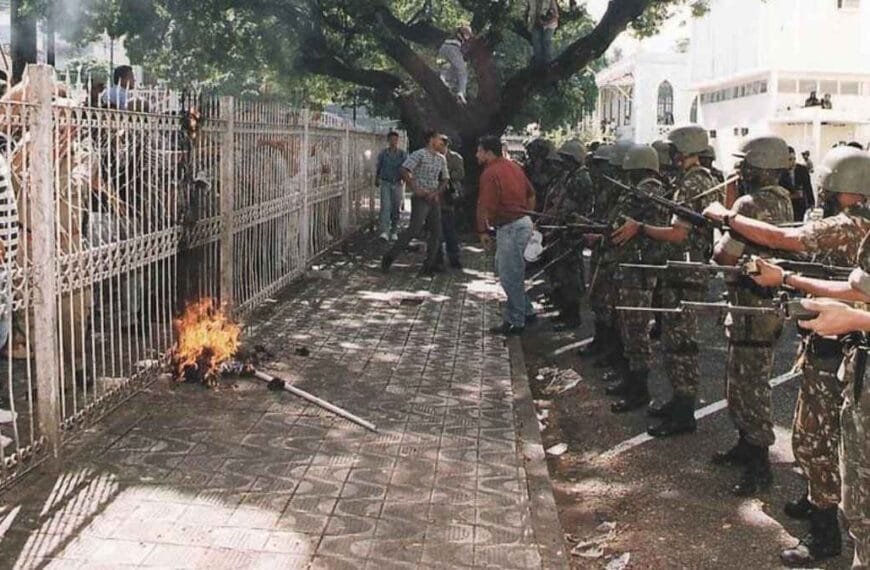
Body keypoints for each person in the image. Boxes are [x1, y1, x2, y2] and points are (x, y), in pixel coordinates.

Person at [706, 148, 870, 565]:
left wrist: (727, 218)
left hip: (836, 350)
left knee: (816, 441)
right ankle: (823, 506)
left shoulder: (849, 225)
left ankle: (824, 533)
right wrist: (788, 278)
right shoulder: (853, 225)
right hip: (836, 346)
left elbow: (787, 239)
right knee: (829, 442)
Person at [612, 125, 716, 437]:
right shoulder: (703, 179)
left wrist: (639, 228)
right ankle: (679, 401)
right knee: (674, 341)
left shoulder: (690, 184)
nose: (668, 155)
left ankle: (684, 412)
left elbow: (678, 234)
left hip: (684, 274)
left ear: (683, 150)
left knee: (680, 344)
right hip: (685, 271)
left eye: (672, 149)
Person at [707, 136, 795, 497]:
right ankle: (747, 446)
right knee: (749, 380)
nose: (740, 170)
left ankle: (758, 465)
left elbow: (724, 257)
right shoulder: (784, 201)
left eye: (744, 164)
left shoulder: (749, 204)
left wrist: (718, 226)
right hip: (768, 305)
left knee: (747, 386)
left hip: (749, 308)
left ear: (759, 167)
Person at [608, 145, 670, 413]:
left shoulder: (649, 191)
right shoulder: (643, 190)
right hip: (632, 266)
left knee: (636, 328)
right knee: (628, 325)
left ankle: (639, 389)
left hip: (640, 268)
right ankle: (631, 378)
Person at [476, 135, 537, 335]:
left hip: (510, 226)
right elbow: (531, 194)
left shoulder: (490, 172)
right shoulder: (514, 167)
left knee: (509, 276)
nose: (477, 155)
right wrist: (527, 216)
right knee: (511, 272)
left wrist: (482, 230)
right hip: (521, 222)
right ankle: (526, 310)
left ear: (488, 152)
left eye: (479, 151)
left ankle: (516, 320)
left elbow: (484, 204)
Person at [382, 130, 449, 276]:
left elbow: (445, 179)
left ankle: (429, 266)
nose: (441, 143)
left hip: (433, 198)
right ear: (431, 140)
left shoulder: (441, 158)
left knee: (437, 232)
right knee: (414, 229)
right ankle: (389, 257)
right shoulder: (419, 154)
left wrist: (437, 192)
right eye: (439, 139)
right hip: (421, 197)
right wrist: (415, 187)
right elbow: (404, 169)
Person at [375, 131, 407, 241]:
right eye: (391, 139)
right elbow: (379, 166)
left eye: (395, 140)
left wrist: (405, 179)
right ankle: (385, 231)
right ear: (388, 141)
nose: (393, 142)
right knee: (385, 206)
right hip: (386, 182)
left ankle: (394, 230)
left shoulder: (402, 154)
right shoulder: (383, 154)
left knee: (395, 207)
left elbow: (406, 168)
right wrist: (377, 178)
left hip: (397, 182)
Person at [438, 136, 464, 269]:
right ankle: (437, 258)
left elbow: (460, 174)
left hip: (449, 197)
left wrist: (445, 176)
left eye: (442, 145)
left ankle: (454, 257)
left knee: (449, 229)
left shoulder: (456, 158)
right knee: (436, 230)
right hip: (436, 196)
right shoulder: (433, 157)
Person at [438, 26, 473, 103]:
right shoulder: (460, 38)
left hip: (442, 49)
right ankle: (461, 93)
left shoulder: (452, 35)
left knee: (450, 69)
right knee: (463, 73)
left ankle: (443, 79)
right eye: (467, 35)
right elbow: (463, 52)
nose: (467, 37)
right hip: (453, 49)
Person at [779, 146, 815, 221]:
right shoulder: (779, 172)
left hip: (800, 206)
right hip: (786, 207)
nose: (793, 162)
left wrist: (812, 203)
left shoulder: (802, 170)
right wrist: (792, 196)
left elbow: (808, 187)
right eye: (790, 159)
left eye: (794, 159)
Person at [525, 0, 559, 64]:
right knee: (536, 42)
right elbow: (526, 10)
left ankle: (548, 62)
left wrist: (547, 22)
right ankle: (539, 62)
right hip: (535, 23)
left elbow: (556, 14)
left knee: (546, 41)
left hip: (549, 24)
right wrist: (527, 22)